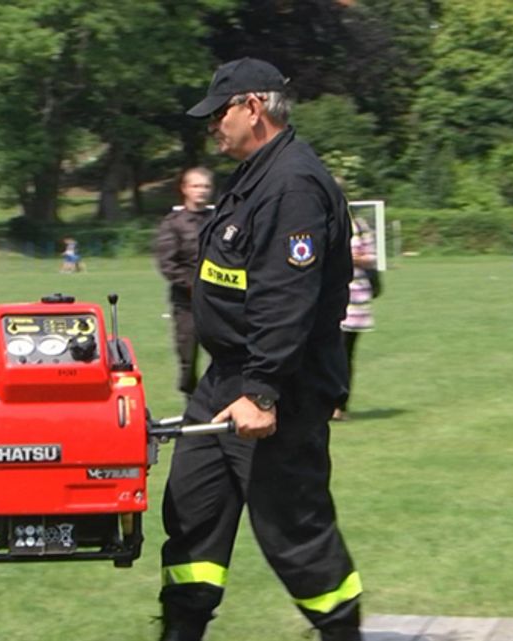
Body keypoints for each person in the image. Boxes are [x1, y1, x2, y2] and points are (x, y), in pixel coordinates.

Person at [157, 58, 362, 641]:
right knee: (192, 516)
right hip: (224, 381)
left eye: (219, 113)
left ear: (253, 106)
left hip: (276, 390)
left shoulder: (293, 185)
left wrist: (262, 392)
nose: (213, 127)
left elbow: (286, 300)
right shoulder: (253, 175)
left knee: (294, 531)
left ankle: (343, 632)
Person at [154, 167, 215, 395]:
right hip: (186, 302)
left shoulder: (219, 219)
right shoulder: (173, 223)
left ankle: (218, 402)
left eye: (206, 186)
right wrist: (193, 286)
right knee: (188, 357)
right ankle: (191, 399)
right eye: (196, 186)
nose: (201, 191)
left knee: (226, 355)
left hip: (219, 301)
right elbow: (167, 263)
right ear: (185, 189)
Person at [333, 219, 376, 421]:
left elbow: (372, 258)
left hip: (355, 299)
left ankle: (339, 405)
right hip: (327, 297)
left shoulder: (359, 227)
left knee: (344, 353)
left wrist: (356, 259)